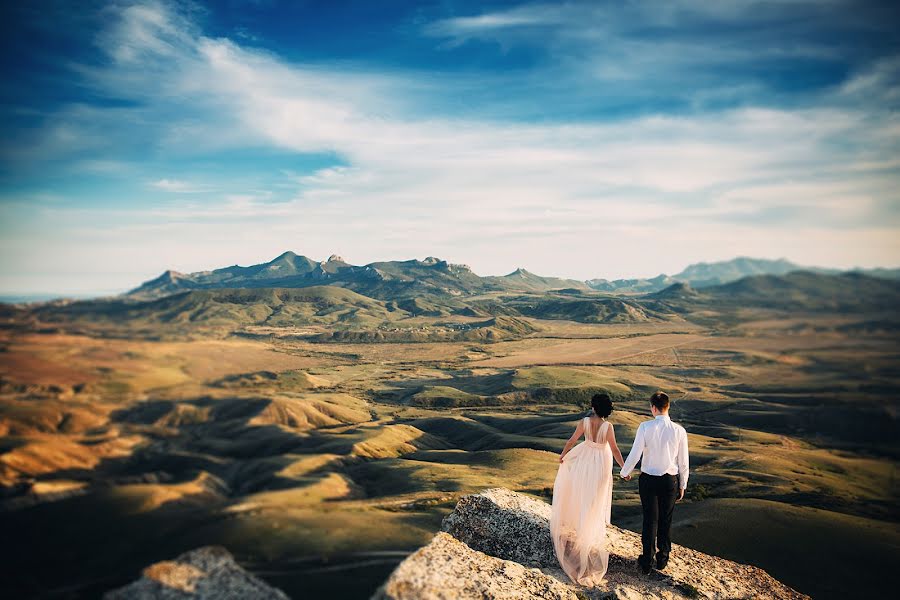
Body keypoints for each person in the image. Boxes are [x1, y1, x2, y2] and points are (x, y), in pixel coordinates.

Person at [550, 393, 626, 586]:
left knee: (581, 492)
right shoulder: (608, 427)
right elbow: (615, 449)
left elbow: (571, 440)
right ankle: (588, 533)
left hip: (585, 459)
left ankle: (579, 528)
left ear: (593, 407)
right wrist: (624, 468)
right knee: (595, 497)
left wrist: (563, 455)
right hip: (601, 462)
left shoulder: (584, 422)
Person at [620, 390, 689, 574]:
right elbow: (683, 462)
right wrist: (683, 484)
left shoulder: (644, 427)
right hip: (669, 481)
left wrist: (624, 472)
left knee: (650, 520)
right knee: (666, 520)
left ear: (653, 408)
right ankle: (663, 559)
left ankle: (646, 561)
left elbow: (635, 454)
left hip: (648, 479)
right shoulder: (679, 431)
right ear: (667, 407)